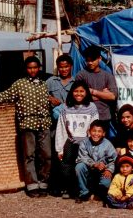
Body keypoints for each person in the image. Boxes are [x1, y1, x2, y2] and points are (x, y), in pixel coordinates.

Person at [0, 56, 51, 198]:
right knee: (29, 155)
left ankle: (44, 182)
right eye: (30, 68)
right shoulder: (20, 84)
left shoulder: (44, 84)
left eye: (35, 67)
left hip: (44, 123)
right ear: (26, 69)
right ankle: (32, 185)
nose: (33, 70)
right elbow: (6, 95)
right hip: (27, 124)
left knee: (46, 155)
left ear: (39, 68)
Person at [55, 80, 99, 199]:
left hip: (86, 142)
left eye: (81, 91)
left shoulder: (91, 107)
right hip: (70, 141)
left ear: (86, 93)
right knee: (67, 166)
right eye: (76, 91)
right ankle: (69, 189)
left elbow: (94, 127)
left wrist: (92, 144)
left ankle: (85, 189)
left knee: (83, 166)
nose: (78, 94)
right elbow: (61, 127)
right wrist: (60, 149)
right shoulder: (66, 107)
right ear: (72, 92)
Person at [46, 54, 75, 196]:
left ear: (71, 67)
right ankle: (55, 186)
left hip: (70, 126)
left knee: (68, 155)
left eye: (66, 66)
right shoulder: (51, 81)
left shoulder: (76, 82)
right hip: (54, 124)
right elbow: (42, 95)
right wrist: (50, 98)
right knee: (55, 154)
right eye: (61, 67)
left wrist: (64, 105)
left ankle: (68, 186)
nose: (64, 69)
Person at [75, 46, 118, 134]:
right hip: (85, 116)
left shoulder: (107, 76)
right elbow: (78, 96)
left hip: (103, 116)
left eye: (93, 60)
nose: (90, 63)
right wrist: (102, 94)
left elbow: (112, 96)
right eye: (88, 60)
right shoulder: (81, 75)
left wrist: (91, 91)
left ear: (99, 59)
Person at [74, 119, 116, 203]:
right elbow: (82, 157)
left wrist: (109, 170)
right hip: (89, 168)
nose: (96, 134)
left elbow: (112, 160)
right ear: (89, 131)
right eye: (94, 131)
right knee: (79, 167)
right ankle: (84, 193)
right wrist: (94, 164)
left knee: (105, 183)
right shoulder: (84, 143)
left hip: (103, 170)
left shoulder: (108, 145)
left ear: (104, 133)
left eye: (99, 131)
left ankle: (98, 194)